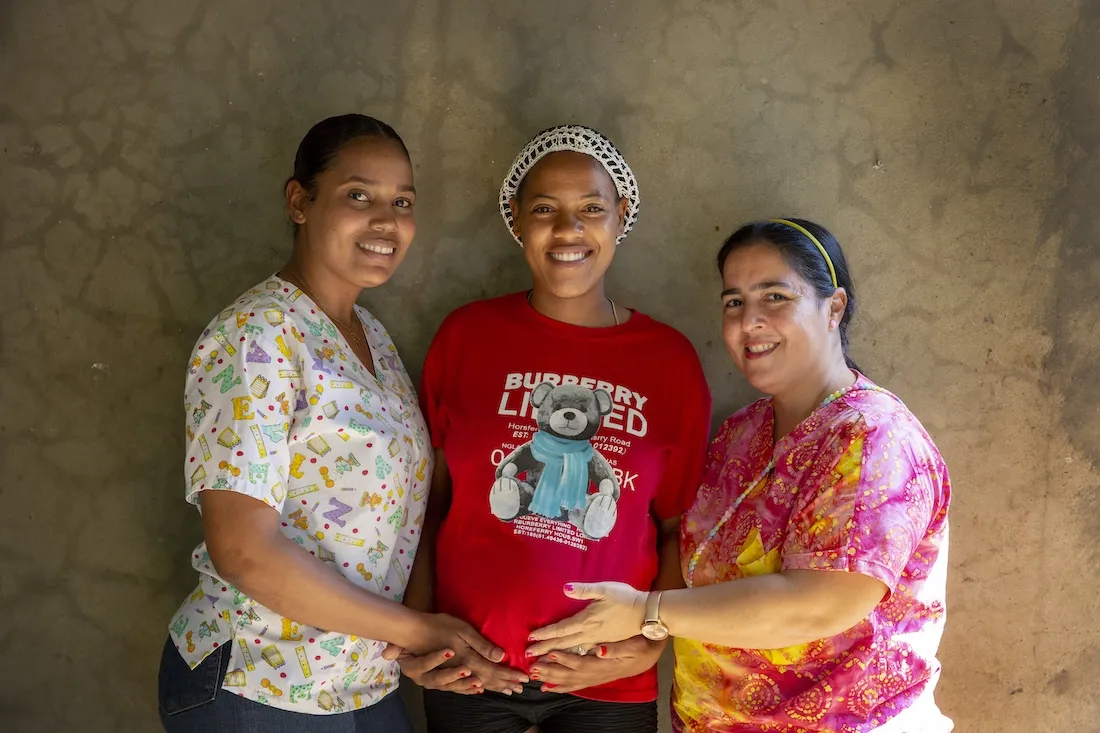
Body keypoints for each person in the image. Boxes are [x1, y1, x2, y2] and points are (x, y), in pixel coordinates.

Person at [525, 219, 953, 732]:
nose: (750, 321)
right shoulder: (740, 434)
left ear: (833, 307)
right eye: (734, 302)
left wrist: (647, 613)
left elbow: (818, 605)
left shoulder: (873, 437)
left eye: (775, 296)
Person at [157, 114, 504, 732]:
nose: (386, 221)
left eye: (402, 202)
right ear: (299, 201)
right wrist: (419, 628)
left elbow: (402, 517)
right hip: (259, 680)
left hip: (364, 684)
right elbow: (243, 551)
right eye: (358, 195)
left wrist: (412, 649)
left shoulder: (373, 338)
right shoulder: (256, 334)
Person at [386, 125, 712, 733]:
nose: (568, 229)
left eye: (591, 208)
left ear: (620, 218)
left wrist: (653, 638)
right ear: (517, 221)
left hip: (607, 680)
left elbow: (675, 529)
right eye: (545, 210)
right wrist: (417, 636)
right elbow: (429, 507)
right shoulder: (466, 336)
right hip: (470, 670)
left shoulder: (669, 360)